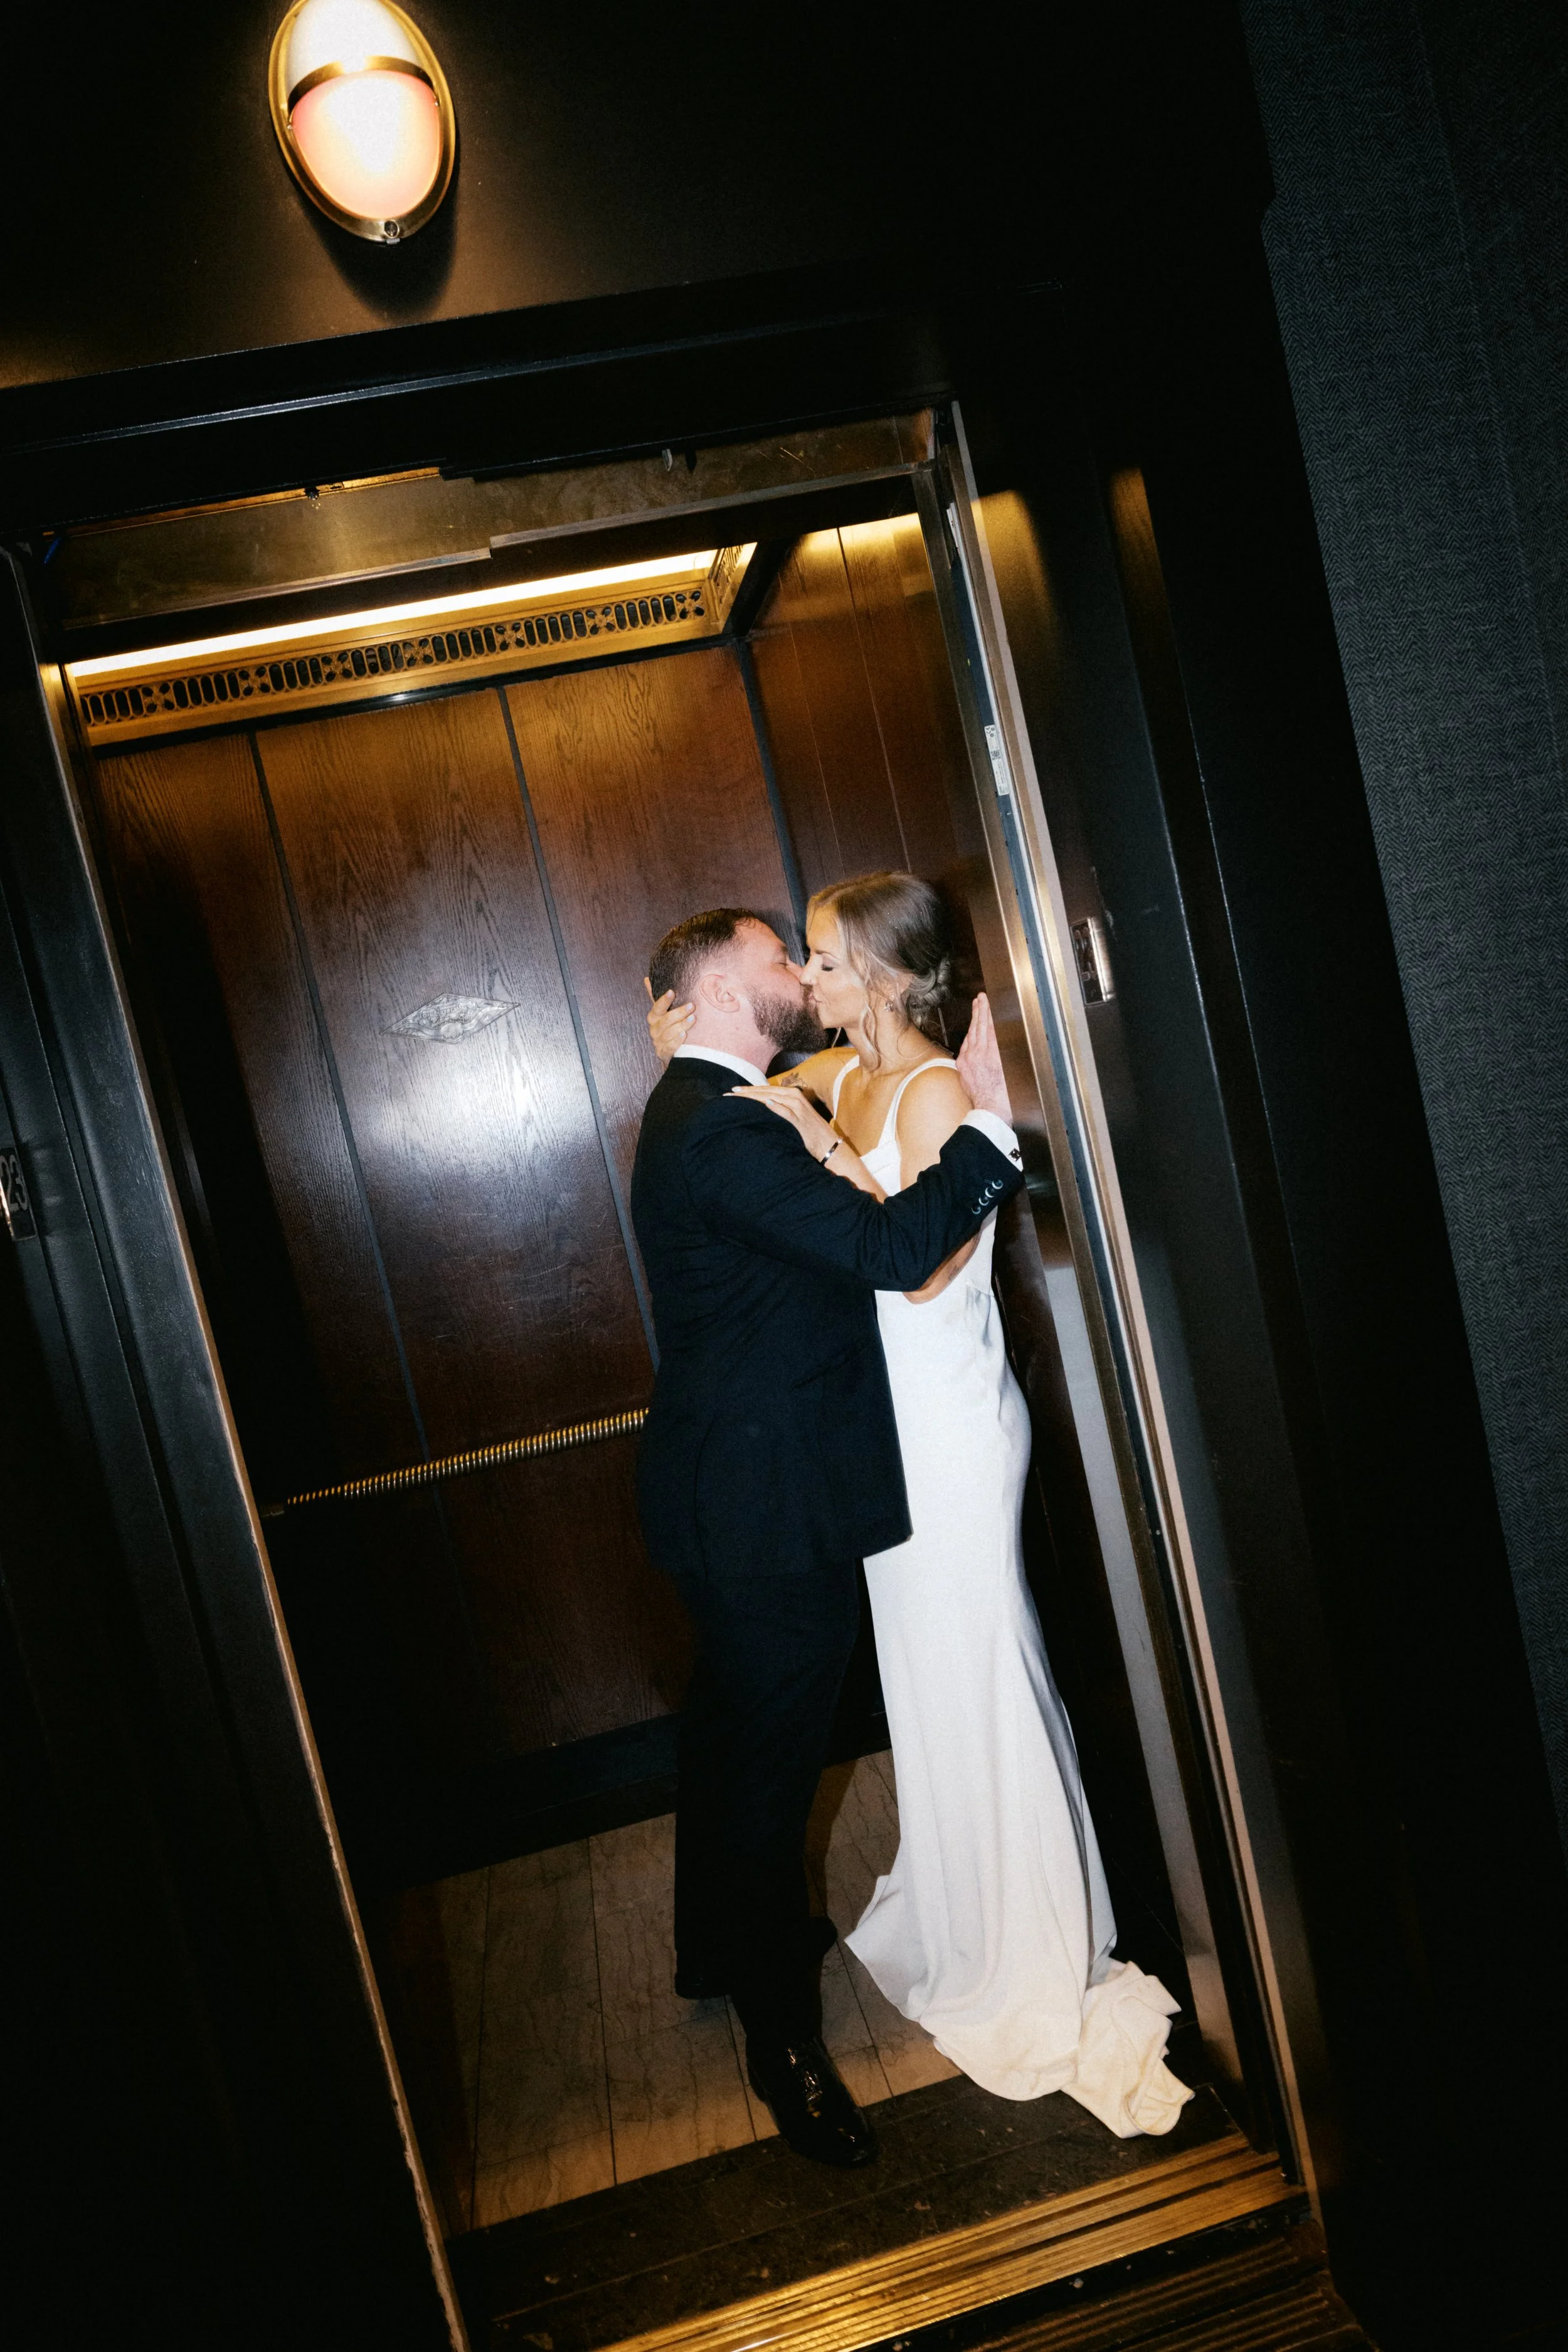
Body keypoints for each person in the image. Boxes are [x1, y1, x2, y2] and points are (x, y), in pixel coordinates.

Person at [646, 872, 1191, 2139]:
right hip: (847, 1456)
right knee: (871, 1698)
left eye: (825, 959)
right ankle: (879, 1935)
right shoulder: (796, 1091)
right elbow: (798, 1141)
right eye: (793, 959)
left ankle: (1013, 1930)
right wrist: (688, 1038)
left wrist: (981, 1126)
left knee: (964, 1666)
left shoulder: (927, 1087)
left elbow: (919, 1261)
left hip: (940, 1430)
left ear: (884, 975)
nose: (809, 976)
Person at [629, 904, 1025, 2168]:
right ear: (712, 992)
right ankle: (784, 2046)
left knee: (727, 1738)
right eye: (773, 956)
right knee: (763, 1781)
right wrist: (985, 1124)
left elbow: (814, 1083)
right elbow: (895, 1245)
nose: (795, 972)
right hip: (759, 1513)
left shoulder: (716, 1104)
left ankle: (712, 1948)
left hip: (731, 1494)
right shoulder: (716, 1132)